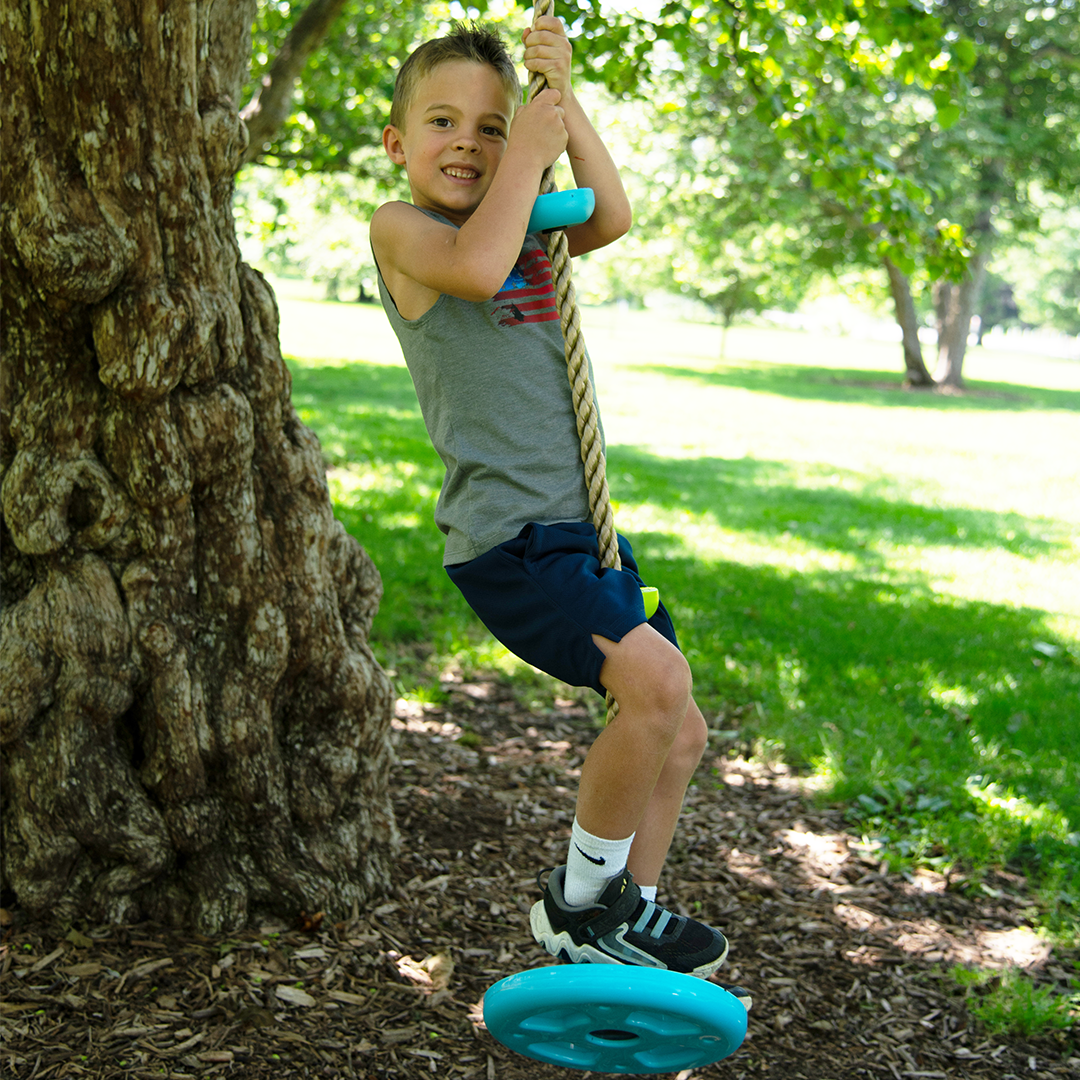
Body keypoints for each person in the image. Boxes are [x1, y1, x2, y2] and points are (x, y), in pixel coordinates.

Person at [371, 17, 746, 998]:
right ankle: (579, 906)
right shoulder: (404, 232)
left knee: (681, 726)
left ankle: (623, 916)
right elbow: (479, 269)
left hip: (580, 537)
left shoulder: (531, 224)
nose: (469, 141)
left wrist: (562, 106)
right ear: (396, 145)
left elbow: (611, 216)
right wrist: (528, 153)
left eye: (492, 127)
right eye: (443, 121)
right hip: (513, 541)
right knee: (655, 688)